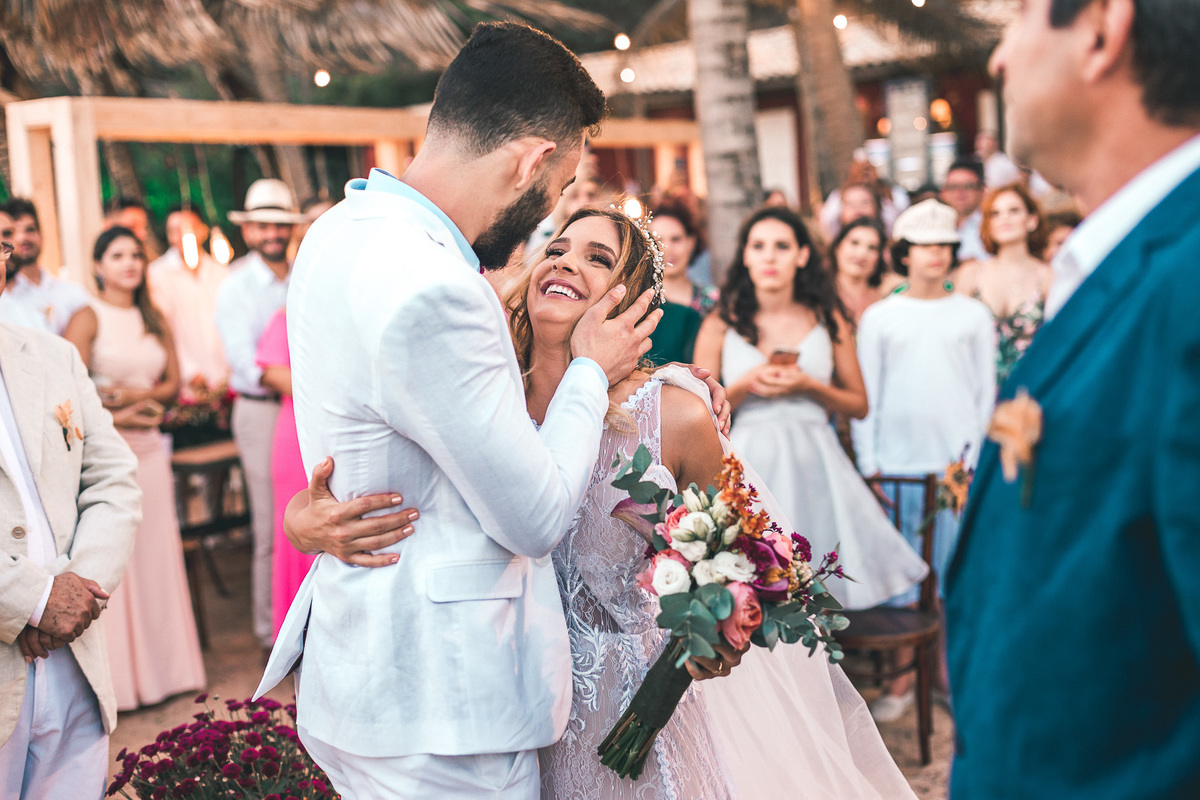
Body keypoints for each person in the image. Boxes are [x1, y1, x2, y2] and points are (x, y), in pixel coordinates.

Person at [287, 206, 917, 799]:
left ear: (635, 303)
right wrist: (303, 522)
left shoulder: (672, 415)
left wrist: (722, 628)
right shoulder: (483, 399)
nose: (563, 261)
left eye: (597, 258)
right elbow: (357, 491)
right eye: (555, 248)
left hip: (634, 720)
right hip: (500, 710)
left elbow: (751, 556)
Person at [253, 22, 683, 799]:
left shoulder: (338, 231)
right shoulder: (436, 287)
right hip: (443, 706)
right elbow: (533, 518)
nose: (547, 220)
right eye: (556, 195)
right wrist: (589, 370)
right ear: (531, 160)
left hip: (379, 674)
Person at [947, 0, 1200, 795]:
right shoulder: (1129, 261)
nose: (997, 61)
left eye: (1020, 16)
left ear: (1100, 28)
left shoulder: (1187, 284)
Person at [694, 206, 927, 611]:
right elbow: (700, 409)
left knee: (820, 576)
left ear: (802, 256)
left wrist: (811, 387)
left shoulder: (827, 316)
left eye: (782, 246)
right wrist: (747, 386)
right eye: (759, 246)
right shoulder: (721, 321)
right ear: (745, 256)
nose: (769, 257)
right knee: (751, 583)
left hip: (819, 464)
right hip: (749, 460)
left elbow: (858, 404)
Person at [0, 230, 141, 798]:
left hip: (74, 658)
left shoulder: (53, 356)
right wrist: (32, 601)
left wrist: (76, 594)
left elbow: (113, 480)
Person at [851, 199, 995, 722]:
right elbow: (871, 397)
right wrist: (871, 467)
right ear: (904, 253)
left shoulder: (974, 315)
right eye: (924, 245)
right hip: (898, 470)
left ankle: (949, 678)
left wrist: (977, 460)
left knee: (954, 578)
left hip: (957, 471)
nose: (935, 255)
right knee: (906, 580)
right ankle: (904, 681)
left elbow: (985, 395)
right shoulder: (882, 317)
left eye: (944, 245)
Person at [62, 227, 206, 711]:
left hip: (151, 448)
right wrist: (117, 411)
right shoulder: (86, 316)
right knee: (114, 559)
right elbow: (69, 385)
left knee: (157, 557)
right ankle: (120, 684)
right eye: (117, 255)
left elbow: (171, 384)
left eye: (135, 256)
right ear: (98, 265)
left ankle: (170, 671)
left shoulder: (153, 315)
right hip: (106, 451)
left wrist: (135, 397)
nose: (129, 264)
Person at [215, 178, 305, 655]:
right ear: (248, 230)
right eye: (264, 224)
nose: (273, 232)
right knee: (271, 525)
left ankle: (303, 619)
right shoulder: (236, 287)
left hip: (302, 413)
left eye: (281, 224)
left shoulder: (305, 274)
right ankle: (271, 633)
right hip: (263, 411)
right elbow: (251, 366)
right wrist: (320, 391)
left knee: (307, 515)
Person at [953, 183, 1055, 385]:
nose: (1004, 218)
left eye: (1014, 211)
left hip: (1030, 393)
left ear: (1032, 220)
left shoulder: (1047, 277)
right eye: (995, 213)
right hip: (975, 391)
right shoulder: (971, 273)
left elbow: (1058, 342)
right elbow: (954, 341)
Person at [255, 309, 311, 637]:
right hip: (296, 431)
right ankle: (295, 634)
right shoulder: (286, 315)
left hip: (341, 427)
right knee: (296, 530)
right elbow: (274, 374)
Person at [146, 207, 231, 398]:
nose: (181, 235)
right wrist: (189, 372)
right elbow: (162, 329)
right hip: (185, 385)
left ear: (202, 230)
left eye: (188, 228)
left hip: (226, 380)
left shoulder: (221, 273)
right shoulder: (157, 275)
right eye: (174, 230)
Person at [0, 198, 90, 335]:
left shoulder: (73, 294)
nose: (22, 238)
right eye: (14, 232)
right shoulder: (8, 293)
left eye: (29, 230)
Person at [828, 216, 901, 325]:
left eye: (872, 247)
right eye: (854, 243)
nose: (861, 254)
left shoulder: (889, 298)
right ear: (837, 247)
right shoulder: (819, 294)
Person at [940, 160, 988, 262]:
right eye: (953, 187)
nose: (960, 193)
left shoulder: (992, 226)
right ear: (943, 193)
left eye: (968, 186)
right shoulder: (933, 226)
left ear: (982, 191)